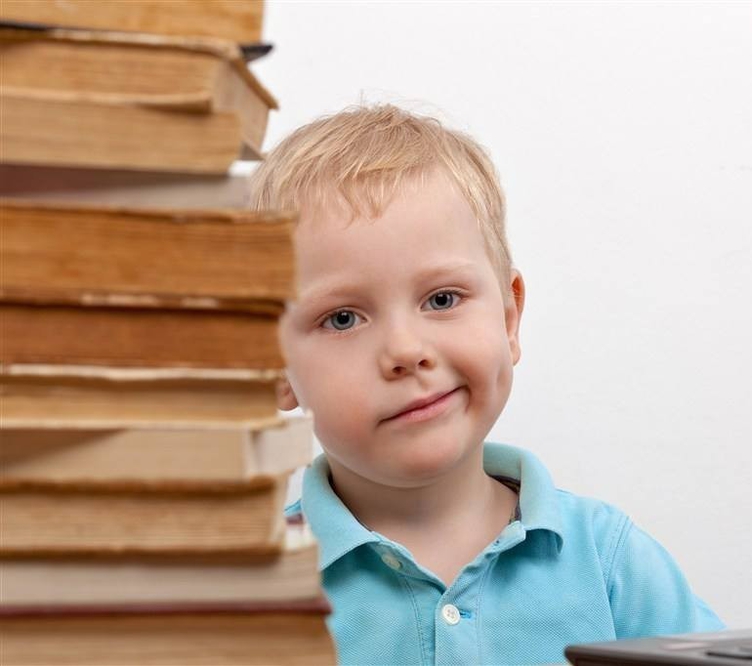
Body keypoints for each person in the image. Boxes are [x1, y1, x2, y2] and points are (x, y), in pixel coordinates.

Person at [251, 104, 723, 665]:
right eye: (343, 318)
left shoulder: (608, 562)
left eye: (442, 299)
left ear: (508, 318)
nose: (406, 351)